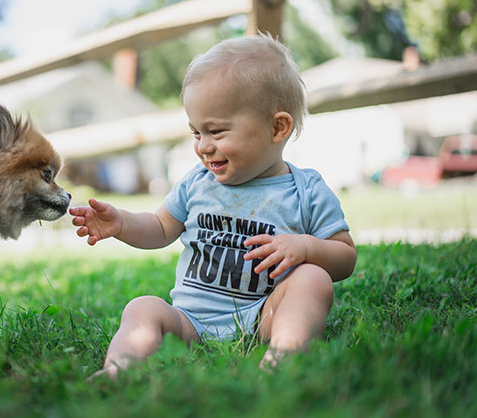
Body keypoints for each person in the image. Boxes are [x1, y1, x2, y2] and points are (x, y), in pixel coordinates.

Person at [69, 33, 356, 378]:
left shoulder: (305, 190)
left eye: (217, 132)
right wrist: (122, 224)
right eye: (196, 133)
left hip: (264, 317)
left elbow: (345, 257)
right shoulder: (196, 182)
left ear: (277, 127)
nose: (203, 146)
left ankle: (284, 355)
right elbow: (160, 228)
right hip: (189, 322)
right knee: (143, 306)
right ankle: (119, 370)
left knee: (314, 279)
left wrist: (306, 248)